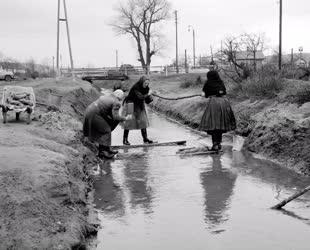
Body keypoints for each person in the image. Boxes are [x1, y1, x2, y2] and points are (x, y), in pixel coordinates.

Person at [83, 89, 132, 159]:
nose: (121, 99)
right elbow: (115, 117)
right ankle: (104, 152)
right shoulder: (116, 102)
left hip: (89, 111)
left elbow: (108, 112)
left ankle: (106, 149)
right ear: (118, 95)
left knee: (105, 128)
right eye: (121, 97)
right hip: (94, 114)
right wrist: (125, 118)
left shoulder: (108, 96)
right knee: (106, 130)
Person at [199, 70, 236, 151]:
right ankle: (218, 143)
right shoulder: (221, 82)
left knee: (214, 124)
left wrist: (204, 94)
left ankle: (215, 144)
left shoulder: (208, 83)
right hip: (224, 103)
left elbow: (205, 95)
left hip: (214, 104)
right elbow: (224, 92)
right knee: (220, 124)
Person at [122, 76, 153, 145]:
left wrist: (150, 97)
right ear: (142, 82)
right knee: (129, 121)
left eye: (148, 83)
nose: (146, 85)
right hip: (130, 103)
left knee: (143, 120)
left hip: (139, 105)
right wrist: (148, 94)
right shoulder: (136, 87)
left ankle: (145, 139)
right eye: (145, 83)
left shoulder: (147, 88)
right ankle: (125, 140)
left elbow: (147, 100)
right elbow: (140, 97)